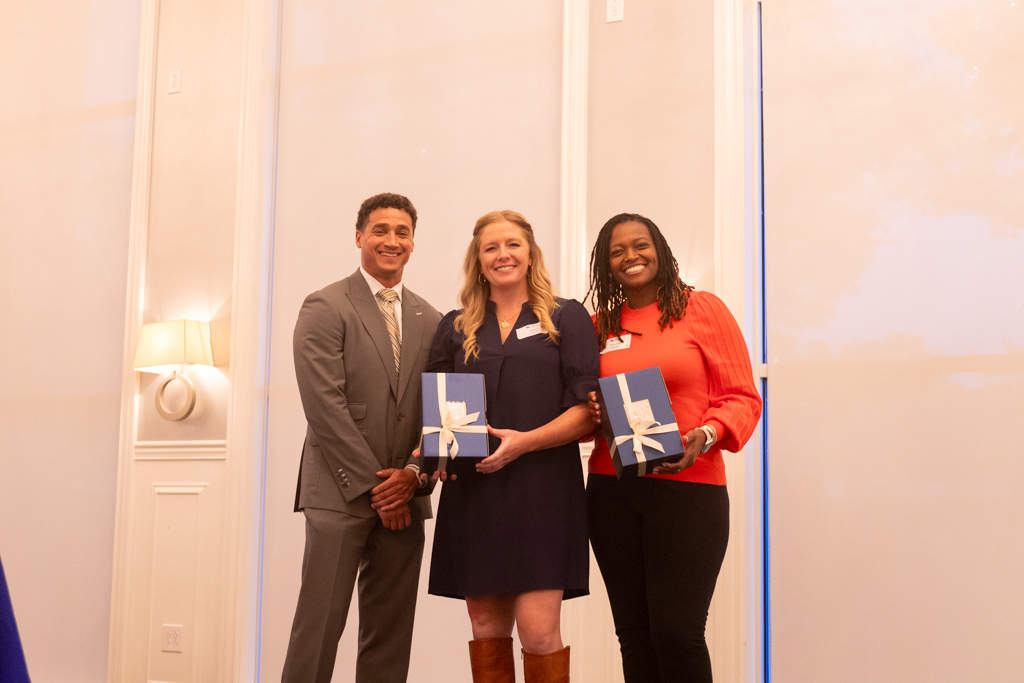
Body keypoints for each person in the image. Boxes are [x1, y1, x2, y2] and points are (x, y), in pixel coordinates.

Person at [418, 210, 598, 683]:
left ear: (530, 253)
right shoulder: (454, 326)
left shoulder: (566, 316)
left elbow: (586, 410)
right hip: (474, 492)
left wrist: (524, 444)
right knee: (485, 629)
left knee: (539, 636)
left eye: (513, 244)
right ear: (478, 261)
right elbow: (437, 410)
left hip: (544, 491)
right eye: (491, 247)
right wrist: (428, 455)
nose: (503, 255)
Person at [584, 213, 762, 683]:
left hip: (690, 490)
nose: (630, 256)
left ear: (659, 248)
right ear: (606, 263)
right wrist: (592, 414)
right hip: (611, 492)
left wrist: (704, 435)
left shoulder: (701, 309)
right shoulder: (597, 325)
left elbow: (742, 397)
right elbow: (583, 421)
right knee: (635, 636)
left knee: (678, 634)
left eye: (640, 245)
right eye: (617, 251)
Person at [282, 193, 442, 683]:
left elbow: (434, 412)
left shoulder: (432, 319)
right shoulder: (325, 305)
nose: (391, 240)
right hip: (339, 496)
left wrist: (410, 481)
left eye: (402, 232)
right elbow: (324, 407)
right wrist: (380, 488)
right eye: (380, 230)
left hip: (405, 497)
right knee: (318, 631)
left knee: (389, 638)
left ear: (413, 243)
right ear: (359, 238)